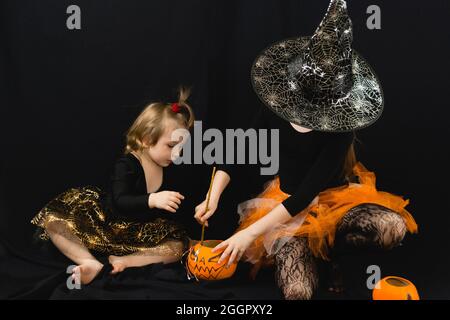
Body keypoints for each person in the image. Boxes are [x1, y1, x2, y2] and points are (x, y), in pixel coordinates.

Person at [194, 0, 418, 299]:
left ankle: (331, 256)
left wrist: (249, 234)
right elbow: (238, 151)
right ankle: (308, 258)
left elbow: (306, 194)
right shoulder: (276, 109)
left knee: (391, 227)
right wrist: (213, 196)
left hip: (332, 204)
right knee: (298, 293)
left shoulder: (341, 128)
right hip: (284, 210)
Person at [31, 87, 194, 285]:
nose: (176, 155)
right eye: (170, 146)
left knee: (177, 246)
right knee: (53, 221)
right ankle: (88, 262)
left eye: (180, 148)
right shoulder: (127, 165)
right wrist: (153, 199)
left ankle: (125, 261)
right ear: (146, 139)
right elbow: (120, 201)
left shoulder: (165, 166)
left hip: (137, 234)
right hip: (106, 224)